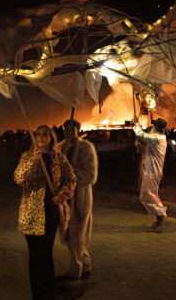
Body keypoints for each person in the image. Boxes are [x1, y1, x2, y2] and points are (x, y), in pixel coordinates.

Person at [14, 125, 77, 300]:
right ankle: (38, 294)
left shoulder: (59, 158)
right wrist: (33, 161)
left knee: (46, 254)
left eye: (45, 135)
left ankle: (48, 293)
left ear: (51, 138)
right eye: (38, 135)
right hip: (31, 213)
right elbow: (18, 178)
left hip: (50, 213)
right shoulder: (27, 156)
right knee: (35, 256)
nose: (41, 138)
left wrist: (61, 195)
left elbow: (72, 180)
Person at [58, 119, 98, 280]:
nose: (69, 132)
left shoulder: (87, 148)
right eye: (66, 129)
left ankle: (76, 269)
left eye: (72, 129)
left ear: (78, 130)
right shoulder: (60, 147)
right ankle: (85, 263)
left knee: (77, 234)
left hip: (80, 196)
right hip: (65, 198)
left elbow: (91, 175)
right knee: (68, 234)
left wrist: (72, 172)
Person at [131, 115, 168, 232]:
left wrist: (136, 124)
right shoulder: (158, 137)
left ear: (156, 127)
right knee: (144, 196)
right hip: (151, 170)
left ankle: (162, 216)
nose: (151, 127)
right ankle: (158, 218)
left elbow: (142, 135)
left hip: (153, 171)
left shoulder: (157, 138)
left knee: (150, 195)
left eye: (153, 125)